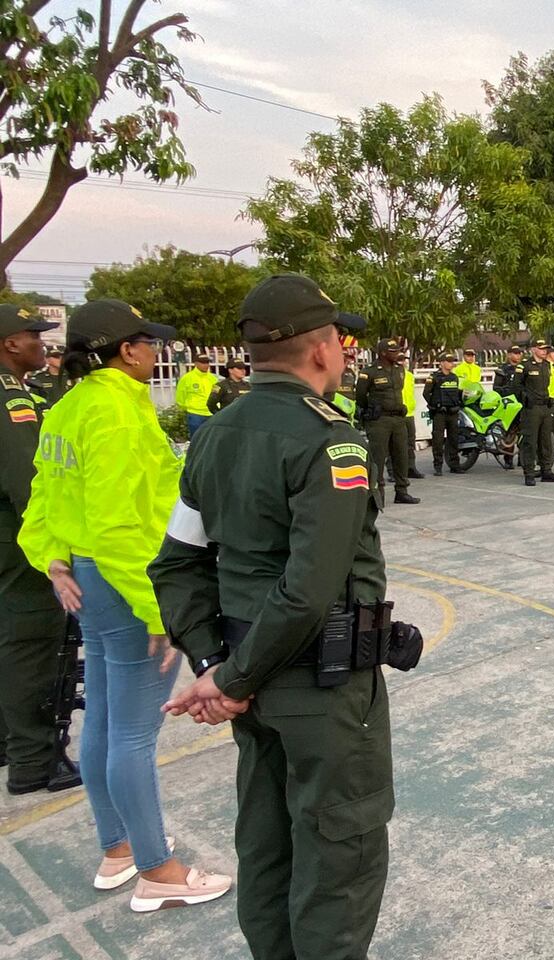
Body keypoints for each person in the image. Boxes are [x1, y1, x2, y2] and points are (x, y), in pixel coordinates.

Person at [150, 273, 393, 959]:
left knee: (267, 840)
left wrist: (215, 664)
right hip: (319, 686)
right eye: (341, 343)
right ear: (321, 351)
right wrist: (231, 677)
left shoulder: (213, 437)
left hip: (246, 685)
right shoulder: (332, 442)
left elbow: (176, 563)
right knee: (338, 856)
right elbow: (310, 590)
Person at [18, 299, 230, 910]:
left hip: (87, 575)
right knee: (133, 734)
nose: (156, 350)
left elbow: (47, 496)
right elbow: (118, 526)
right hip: (122, 580)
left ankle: (117, 850)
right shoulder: (115, 413)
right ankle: (158, 873)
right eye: (147, 340)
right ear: (126, 349)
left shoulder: (67, 408)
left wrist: (51, 557)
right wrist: (160, 613)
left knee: (106, 721)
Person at [0, 305, 81, 796]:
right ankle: (35, 758)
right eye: (33, 336)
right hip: (17, 538)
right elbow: (28, 482)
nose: (42, 344)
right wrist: (53, 549)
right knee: (31, 643)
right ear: (10, 343)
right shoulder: (13, 399)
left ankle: (8, 741)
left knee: (8, 637)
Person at [356, 340, 419, 504]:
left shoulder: (400, 370)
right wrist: (369, 412)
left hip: (398, 419)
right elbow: (361, 397)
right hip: (379, 420)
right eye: (393, 351)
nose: (397, 353)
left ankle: (402, 491)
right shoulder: (369, 372)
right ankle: (377, 492)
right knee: (377, 457)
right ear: (383, 353)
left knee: (401, 456)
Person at [510, 339, 554, 487]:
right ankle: (529, 473)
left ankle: (546, 470)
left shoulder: (547, 365)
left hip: (546, 407)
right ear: (533, 349)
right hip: (531, 409)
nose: (544, 351)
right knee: (530, 442)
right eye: (540, 348)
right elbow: (516, 387)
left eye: (545, 348)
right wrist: (525, 400)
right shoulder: (524, 366)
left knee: (545, 441)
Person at [425, 355, 463, 475]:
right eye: (449, 361)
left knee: (454, 439)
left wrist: (458, 404)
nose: (452, 364)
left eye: (453, 362)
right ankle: (438, 466)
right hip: (440, 413)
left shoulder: (454, 377)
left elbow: (457, 394)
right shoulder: (434, 377)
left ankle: (454, 465)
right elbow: (426, 393)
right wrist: (434, 405)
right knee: (438, 440)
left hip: (452, 412)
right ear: (441, 363)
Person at [493, 346, 523, 470]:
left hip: (522, 404)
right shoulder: (503, 370)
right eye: (515, 353)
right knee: (509, 433)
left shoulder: (523, 368)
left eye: (519, 353)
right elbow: (496, 388)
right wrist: (506, 391)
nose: (518, 356)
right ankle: (508, 459)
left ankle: (523, 459)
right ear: (509, 355)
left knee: (524, 433)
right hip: (508, 405)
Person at [175, 353, 218, 437]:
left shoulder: (213, 379)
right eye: (203, 363)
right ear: (196, 363)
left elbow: (217, 395)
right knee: (196, 440)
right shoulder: (187, 378)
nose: (206, 365)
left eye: (207, 362)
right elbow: (180, 397)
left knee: (211, 439)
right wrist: (190, 407)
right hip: (195, 414)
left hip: (211, 414)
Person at [401, 355, 425, 479]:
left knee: (410, 442)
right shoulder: (391, 375)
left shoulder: (409, 376)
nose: (403, 362)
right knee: (394, 444)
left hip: (409, 413)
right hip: (397, 414)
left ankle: (411, 467)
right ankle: (393, 471)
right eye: (400, 359)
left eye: (404, 360)